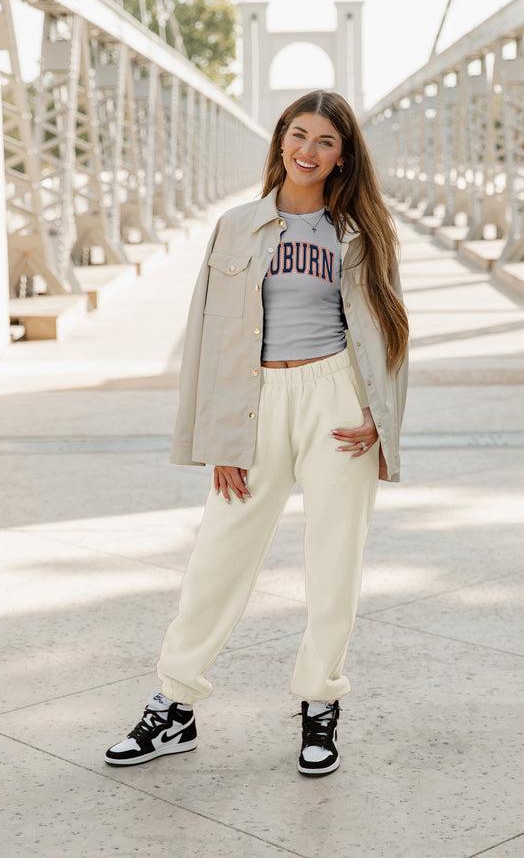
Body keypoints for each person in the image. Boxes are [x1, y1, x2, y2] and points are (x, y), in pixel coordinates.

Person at [105, 89, 409, 777]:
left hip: (337, 400)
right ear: (279, 141)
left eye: (325, 141)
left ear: (343, 156)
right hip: (257, 400)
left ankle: (319, 705)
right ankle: (175, 704)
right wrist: (220, 437)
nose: (307, 150)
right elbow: (211, 336)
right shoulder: (236, 225)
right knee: (220, 553)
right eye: (297, 135)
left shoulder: (361, 231)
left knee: (334, 562)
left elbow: (392, 330)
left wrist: (378, 417)